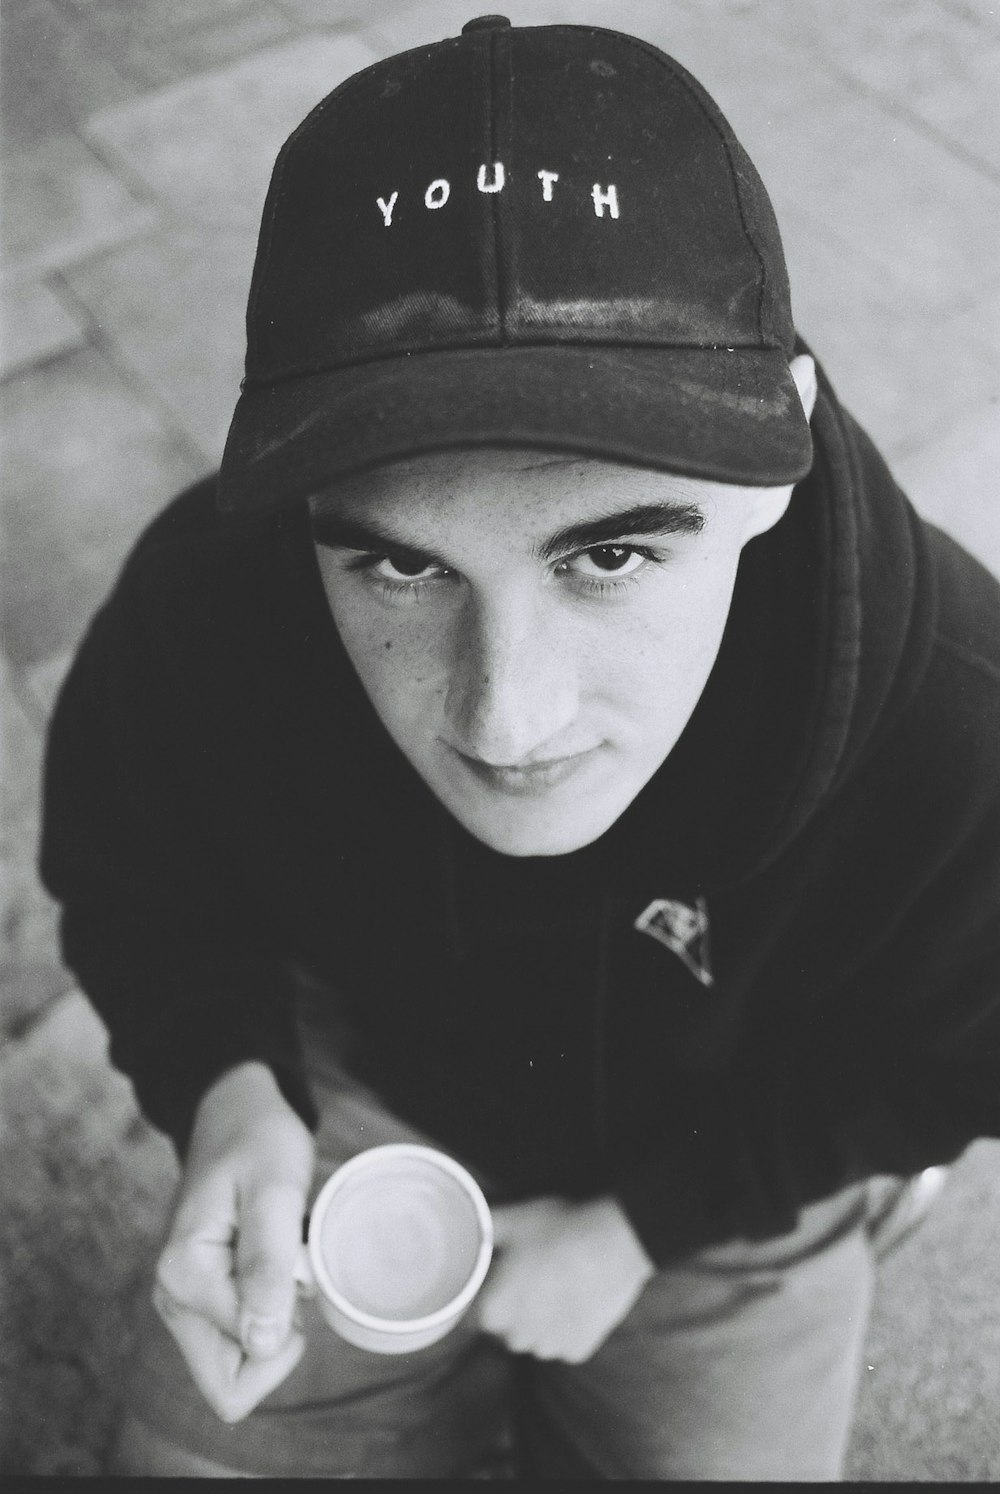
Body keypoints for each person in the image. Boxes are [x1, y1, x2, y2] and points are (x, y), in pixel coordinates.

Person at [39, 14, 999, 1481]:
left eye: (609, 555)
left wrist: (652, 1224)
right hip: (359, 1094)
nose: (505, 721)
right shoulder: (210, 599)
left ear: (777, 462)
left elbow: (962, 1053)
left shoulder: (961, 717)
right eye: (400, 569)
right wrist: (224, 1079)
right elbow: (131, 859)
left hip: (726, 1170)